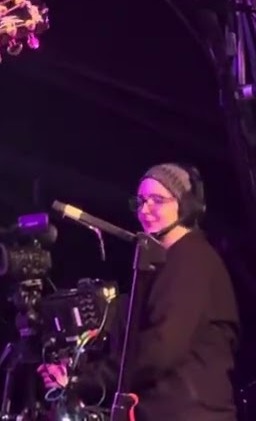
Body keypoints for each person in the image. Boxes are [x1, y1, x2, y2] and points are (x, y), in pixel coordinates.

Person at [38, 163, 241, 421]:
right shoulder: (166, 261)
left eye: (157, 200)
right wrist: (77, 370)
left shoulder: (191, 258)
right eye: (141, 201)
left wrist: (83, 380)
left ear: (185, 205)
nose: (145, 210)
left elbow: (161, 347)